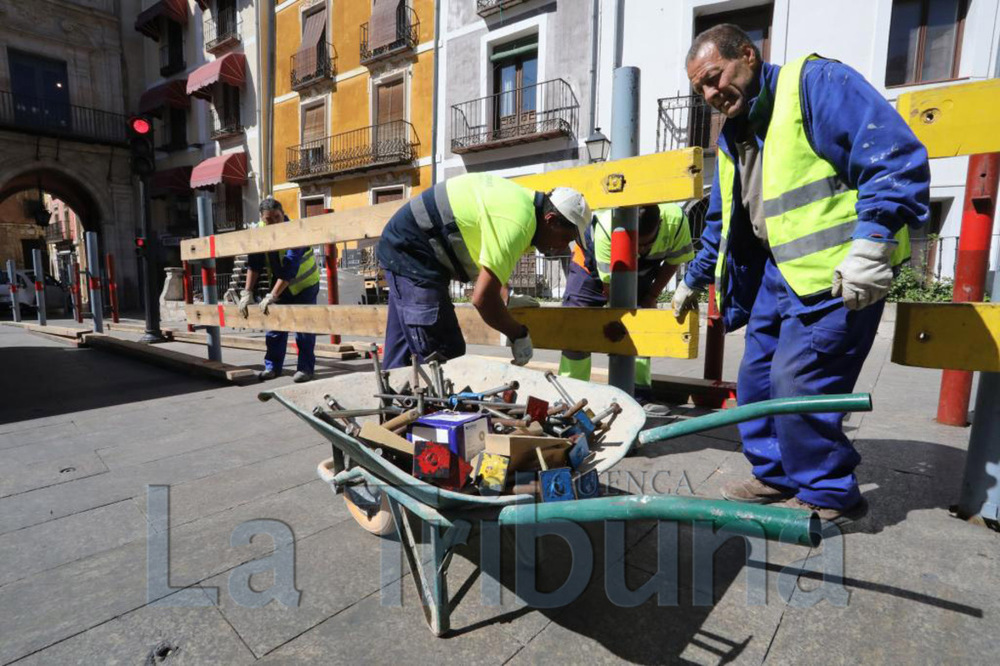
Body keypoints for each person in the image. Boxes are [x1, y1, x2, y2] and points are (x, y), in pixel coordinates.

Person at [673, 25, 930, 522]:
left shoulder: (815, 84)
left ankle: (829, 492)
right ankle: (775, 472)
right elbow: (726, 222)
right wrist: (695, 277)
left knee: (800, 383)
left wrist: (873, 242)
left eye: (713, 77)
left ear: (747, 55)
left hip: (839, 270)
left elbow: (892, 156)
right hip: (779, 271)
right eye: (699, 89)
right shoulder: (734, 135)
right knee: (756, 378)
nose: (709, 94)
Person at [375, 173, 591, 370]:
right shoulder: (518, 223)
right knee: (444, 353)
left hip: (411, 244)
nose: (564, 247)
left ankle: (392, 406)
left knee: (403, 350)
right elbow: (482, 299)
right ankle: (432, 411)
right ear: (550, 220)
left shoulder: (524, 209)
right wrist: (518, 334)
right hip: (412, 249)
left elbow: (491, 261)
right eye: (566, 238)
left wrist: (506, 298)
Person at [558, 203, 694, 411]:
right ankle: (571, 395)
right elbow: (611, 290)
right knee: (578, 325)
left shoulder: (676, 222)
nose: (640, 250)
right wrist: (617, 330)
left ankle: (639, 394)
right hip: (591, 266)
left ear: (660, 224)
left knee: (642, 323)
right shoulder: (606, 227)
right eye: (636, 245)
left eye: (645, 244)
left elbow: (674, 261)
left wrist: (651, 296)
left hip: (642, 269)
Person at [238, 197, 320, 383]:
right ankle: (273, 367)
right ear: (261, 218)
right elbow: (255, 264)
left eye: (277, 217)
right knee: (275, 326)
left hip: (305, 284)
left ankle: (306, 369)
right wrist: (247, 292)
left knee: (303, 328)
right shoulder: (259, 232)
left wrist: (272, 296)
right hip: (280, 284)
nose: (274, 222)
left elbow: (290, 268)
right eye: (269, 219)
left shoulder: (295, 231)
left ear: (283, 214)